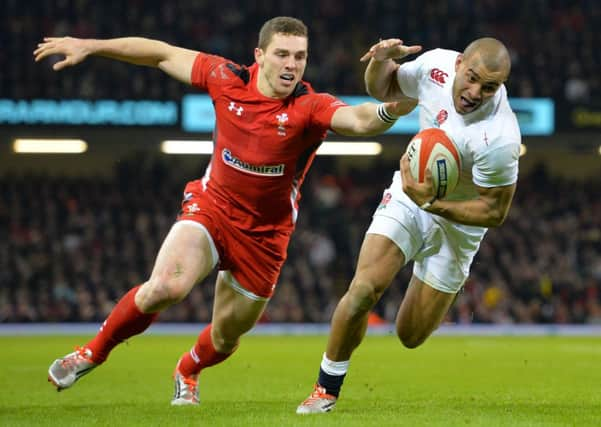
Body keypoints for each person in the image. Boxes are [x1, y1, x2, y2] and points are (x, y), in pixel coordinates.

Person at [34, 17, 418, 405]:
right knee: (166, 286)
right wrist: (92, 45)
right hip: (212, 208)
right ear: (259, 55)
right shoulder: (224, 77)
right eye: (282, 54)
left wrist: (396, 107)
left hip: (266, 237)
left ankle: (188, 368)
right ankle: (92, 352)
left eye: (300, 57)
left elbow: (357, 118)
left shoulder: (309, 106)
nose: (291, 64)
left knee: (225, 336)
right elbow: (160, 54)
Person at [297, 37, 521, 414]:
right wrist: (379, 62)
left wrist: (435, 204)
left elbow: (494, 212)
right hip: (409, 195)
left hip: (459, 224)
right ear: (460, 62)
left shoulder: (500, 136)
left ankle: (428, 275)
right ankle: (325, 389)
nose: (475, 92)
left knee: (410, 335)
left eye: (489, 87)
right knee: (364, 289)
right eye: (472, 78)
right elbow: (382, 87)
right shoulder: (435, 66)